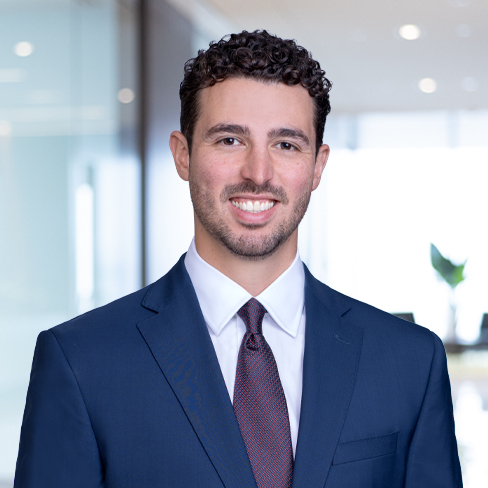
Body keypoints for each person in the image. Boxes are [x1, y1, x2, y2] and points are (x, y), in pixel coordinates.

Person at [14, 30, 462, 488]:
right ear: (182, 155)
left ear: (318, 166)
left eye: (286, 144)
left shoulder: (408, 361)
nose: (258, 173)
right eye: (230, 140)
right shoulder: (81, 361)